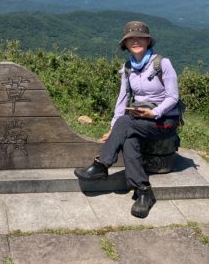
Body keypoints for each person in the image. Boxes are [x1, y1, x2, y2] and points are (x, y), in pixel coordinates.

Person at [74, 21, 180, 218]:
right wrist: (114, 129)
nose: (136, 40)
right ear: (126, 44)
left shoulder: (162, 64)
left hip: (163, 121)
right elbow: (122, 100)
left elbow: (173, 97)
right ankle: (143, 192)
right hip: (140, 122)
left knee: (125, 124)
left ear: (148, 41)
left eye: (141, 37)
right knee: (129, 140)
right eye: (131, 38)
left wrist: (154, 113)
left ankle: (101, 165)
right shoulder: (128, 67)